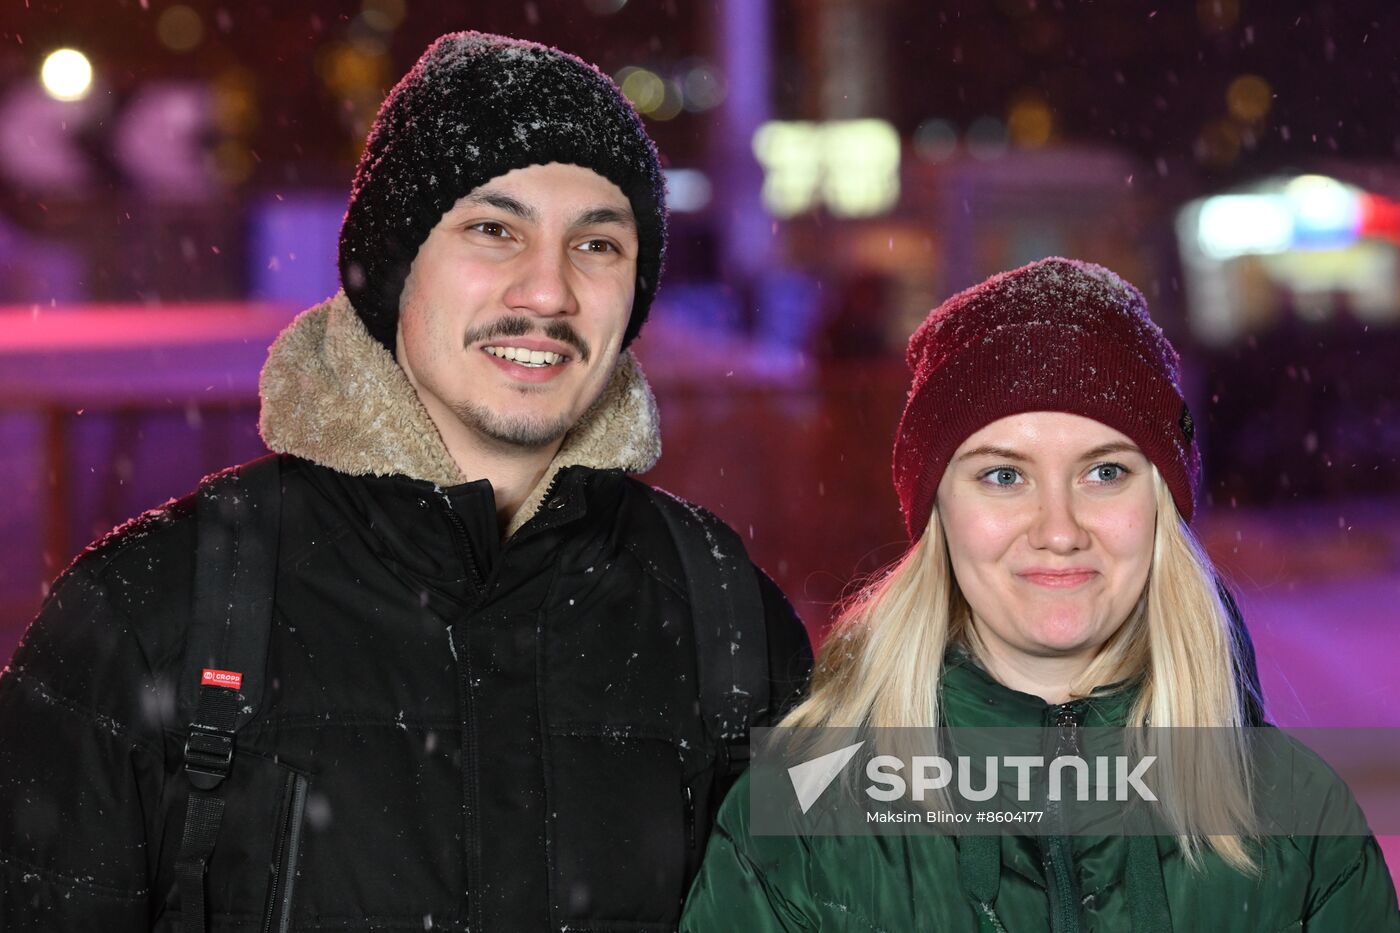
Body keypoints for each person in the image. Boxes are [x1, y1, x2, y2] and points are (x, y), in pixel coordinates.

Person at [0, 33, 811, 931]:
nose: (548, 291)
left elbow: (877, 878)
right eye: (494, 230)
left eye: (598, 244)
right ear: (395, 270)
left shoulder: (727, 615)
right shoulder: (151, 610)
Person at [679, 258, 1400, 930]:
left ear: (1160, 507)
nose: (1059, 529)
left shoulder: (1300, 822)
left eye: (1105, 472)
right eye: (1004, 475)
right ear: (939, 513)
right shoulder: (798, 819)